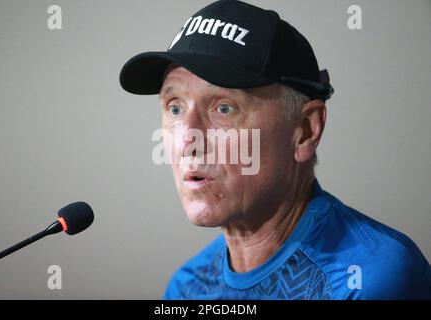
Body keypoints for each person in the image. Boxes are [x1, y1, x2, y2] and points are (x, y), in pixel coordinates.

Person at [120, 0, 431, 299]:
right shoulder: (186, 286)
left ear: (306, 131)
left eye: (224, 108)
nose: (187, 139)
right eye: (174, 109)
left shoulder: (367, 279)